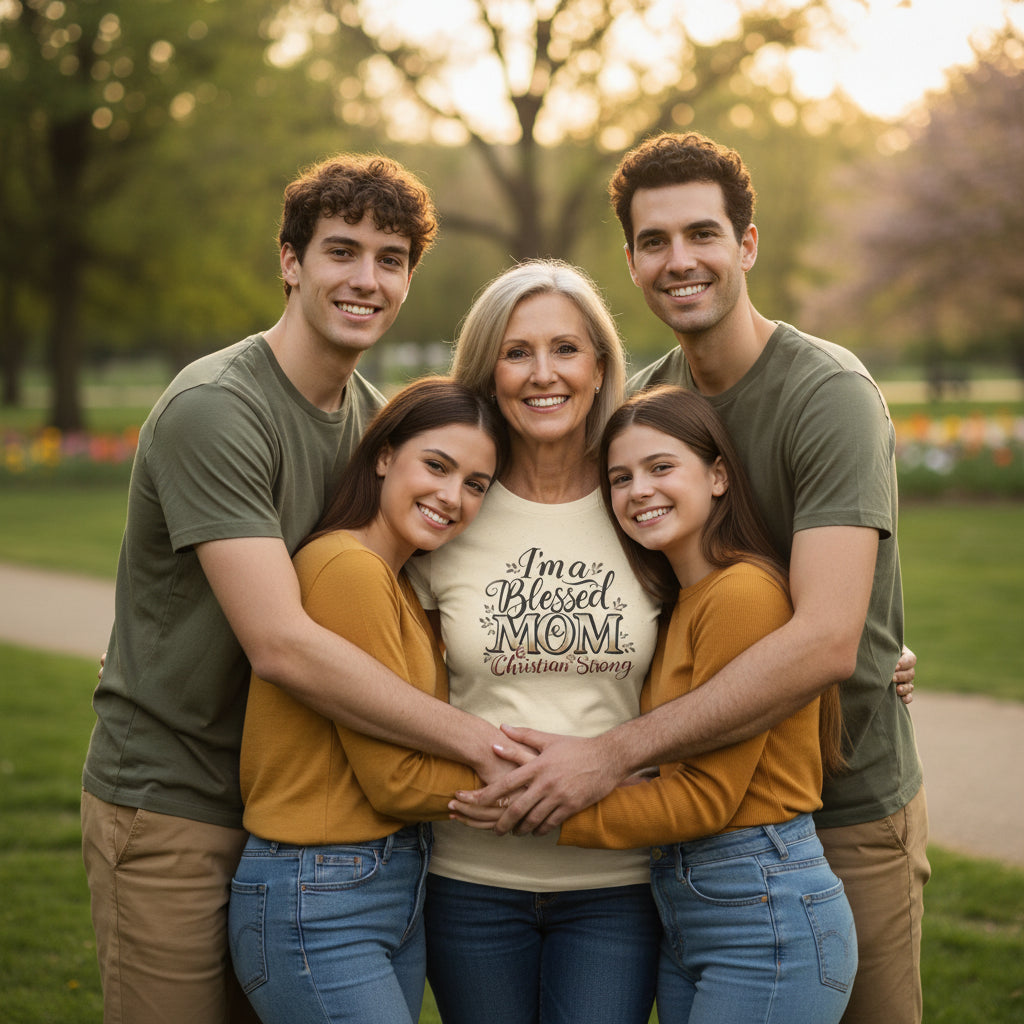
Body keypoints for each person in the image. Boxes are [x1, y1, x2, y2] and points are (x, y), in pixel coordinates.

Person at [461, 132, 929, 1024]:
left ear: (745, 245)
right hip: (689, 838)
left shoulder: (825, 393)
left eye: (703, 234)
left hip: (842, 801)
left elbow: (828, 636)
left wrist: (607, 758)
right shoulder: (646, 408)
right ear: (632, 263)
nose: (681, 261)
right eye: (654, 242)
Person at [80, 153, 526, 1024]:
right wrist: (481, 743)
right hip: (173, 799)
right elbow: (280, 643)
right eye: (342, 251)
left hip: (287, 817)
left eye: (390, 259)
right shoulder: (219, 408)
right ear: (291, 261)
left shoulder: (375, 424)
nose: (367, 279)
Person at [406, 260, 664, 1023]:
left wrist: (885, 659)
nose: (542, 374)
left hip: (616, 886)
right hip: (468, 881)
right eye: (517, 352)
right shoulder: (449, 507)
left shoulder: (642, 499)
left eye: (565, 349)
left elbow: (738, 621)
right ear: (487, 369)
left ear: (600, 366)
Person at [229, 377, 505, 1024]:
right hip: (319, 890)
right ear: (384, 455)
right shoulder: (347, 569)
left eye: (475, 484)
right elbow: (397, 782)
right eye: (436, 466)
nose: (451, 496)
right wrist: (552, 778)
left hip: (382, 882)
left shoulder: (400, 582)